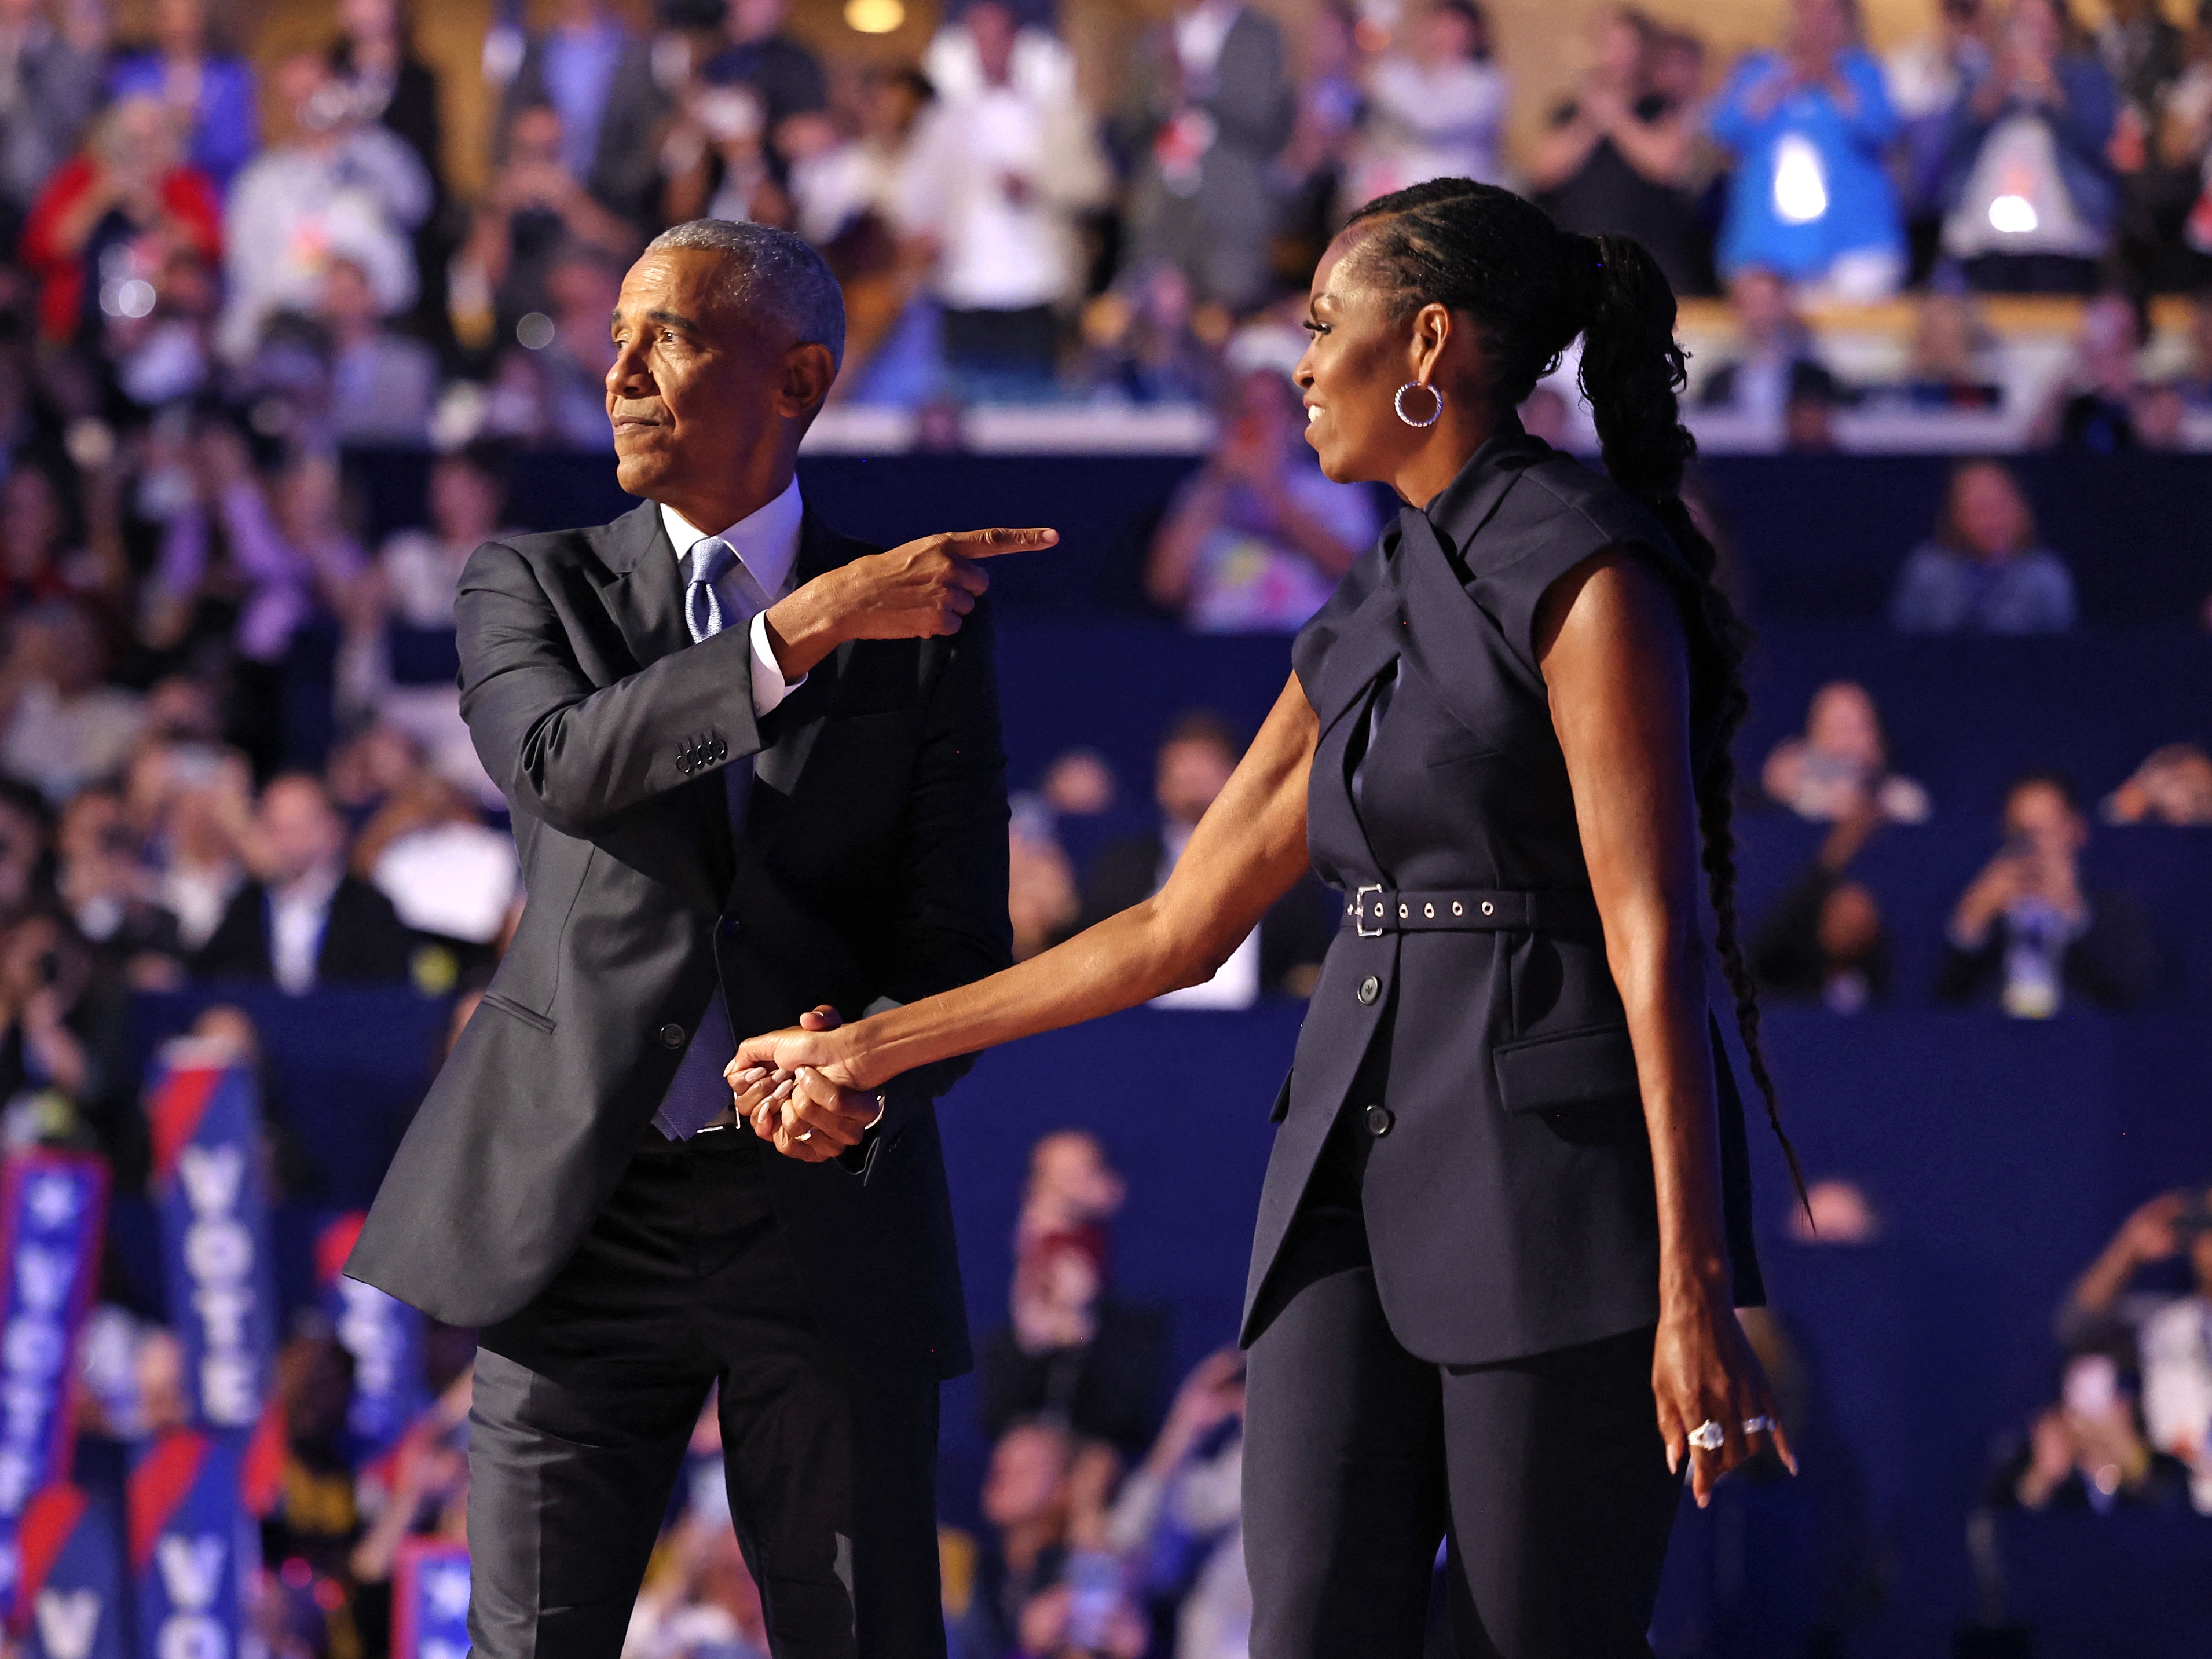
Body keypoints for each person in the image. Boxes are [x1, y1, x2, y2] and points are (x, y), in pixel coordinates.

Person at [738, 180, 1794, 1655]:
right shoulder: (1372, 591)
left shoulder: (1584, 565)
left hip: (1553, 1186)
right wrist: (873, 1044)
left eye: (1318, 326)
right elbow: (1177, 926)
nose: (1292, 363)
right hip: (1343, 1178)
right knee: (1298, 1624)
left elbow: (1650, 936)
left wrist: (1688, 1278)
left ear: (1423, 343)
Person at [343, 220, 1058, 1659]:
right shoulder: (527, 581)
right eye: (614, 335)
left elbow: (952, 934)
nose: (616, 371)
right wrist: (800, 630)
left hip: (820, 1204)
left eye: (663, 334)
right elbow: (559, 762)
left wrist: (862, 1077)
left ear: (793, 378)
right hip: (572, 1212)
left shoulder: (925, 624)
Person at [893, 0, 1110, 397]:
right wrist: (926, 232)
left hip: (1038, 287)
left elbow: (1095, 186)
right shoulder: (944, 122)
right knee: (967, 406)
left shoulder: (1057, 116)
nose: (989, 49)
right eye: (980, 39)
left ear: (1015, 42)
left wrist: (1037, 186)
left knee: (1033, 411)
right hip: (965, 286)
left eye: (997, 38)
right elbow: (914, 196)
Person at [1078, 711, 1335, 1004]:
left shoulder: (1282, 866)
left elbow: (1305, 965)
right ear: (1161, 786)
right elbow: (1092, 952)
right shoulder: (1122, 866)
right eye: (1182, 776)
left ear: (1237, 779)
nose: (1193, 787)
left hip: (1253, 1034)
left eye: (1203, 774)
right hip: (1144, 1033)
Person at [218, 51, 431, 363]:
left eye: (315, 93)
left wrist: (357, 131)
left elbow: (416, 205)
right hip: (292, 333)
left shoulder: (374, 154)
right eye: (294, 99)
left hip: (380, 332)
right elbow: (248, 271)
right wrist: (321, 292)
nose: (308, 108)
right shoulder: (259, 183)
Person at [1146, 368, 1379, 632]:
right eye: (1243, 411)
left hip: (1301, 648)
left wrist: (1268, 488)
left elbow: (1352, 573)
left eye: (1267, 410)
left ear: (1294, 422)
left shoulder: (1334, 487)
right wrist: (1217, 486)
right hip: (1218, 650)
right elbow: (1165, 589)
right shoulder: (1204, 490)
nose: (1253, 423)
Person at [1706, 0, 1907, 298]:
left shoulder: (1865, 73)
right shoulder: (1758, 71)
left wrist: (1832, 79)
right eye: (1807, 12)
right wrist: (1780, 82)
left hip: (1855, 253)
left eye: (1827, 15)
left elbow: (1881, 130)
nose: (1815, 24)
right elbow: (1724, 131)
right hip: (1769, 257)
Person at [1117, 0, 1297, 313]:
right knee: (1155, 323)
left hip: (1229, 213)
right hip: (1163, 212)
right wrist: (1162, 93)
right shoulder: (1159, 35)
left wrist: (1200, 87)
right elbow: (1130, 125)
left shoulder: (1259, 35)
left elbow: (1266, 122)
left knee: (1226, 327)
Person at [1935, 770, 2159, 1015]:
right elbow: (1941, 1003)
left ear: (2077, 830)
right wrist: (1972, 924)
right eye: (2023, 831)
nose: (2036, 844)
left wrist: (2072, 910)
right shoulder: (1981, 908)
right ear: (2005, 832)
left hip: (2083, 1043)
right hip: (1994, 1041)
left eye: (2048, 828)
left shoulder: (2114, 911)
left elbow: (2133, 994)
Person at [1940, 0, 2119, 292]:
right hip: (1984, 241)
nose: (2029, 32)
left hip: (2063, 242)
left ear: (2059, 27)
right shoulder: (1979, 75)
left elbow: (2097, 141)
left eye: (2038, 21)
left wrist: (2051, 88)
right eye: (2021, 20)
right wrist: (1999, 81)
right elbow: (1951, 142)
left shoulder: (2086, 76)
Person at [19, 93, 224, 349]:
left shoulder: (181, 184)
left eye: (153, 140)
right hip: (81, 324)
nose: (141, 151)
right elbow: (45, 248)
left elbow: (209, 246)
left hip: (161, 324)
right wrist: (99, 198)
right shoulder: (77, 179)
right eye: (132, 142)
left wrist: (151, 209)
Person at [1530, 10, 1706, 299]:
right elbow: (1544, 170)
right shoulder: (1571, 112)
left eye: (1628, 46)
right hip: (1581, 263)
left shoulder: (1661, 109)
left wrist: (1617, 118)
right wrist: (1590, 120)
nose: (1618, 57)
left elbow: (1667, 164)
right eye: (1611, 45)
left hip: (1646, 262)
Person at [192, 772, 416, 990]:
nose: (282, 841)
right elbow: (204, 977)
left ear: (332, 830)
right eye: (273, 827)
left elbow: (388, 992)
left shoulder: (370, 908)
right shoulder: (247, 905)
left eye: (295, 828)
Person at [1345, 0, 1510, 206]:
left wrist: (1384, 68)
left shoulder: (1486, 83)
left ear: (1474, 30)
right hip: (1405, 198)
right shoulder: (1420, 77)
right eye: (1439, 24)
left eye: (1455, 25)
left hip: (1457, 198)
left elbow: (1430, 120)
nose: (1446, 33)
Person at [1891, 456, 2075, 633]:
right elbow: (1901, 644)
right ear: (1955, 517)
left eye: (2001, 506)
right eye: (1980, 510)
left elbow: (2064, 652)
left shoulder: (2046, 575)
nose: (1993, 521)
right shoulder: (1928, 570)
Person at [107, 0, 256, 192]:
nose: (178, 27)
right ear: (154, 21)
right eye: (167, 17)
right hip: (143, 198)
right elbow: (115, 149)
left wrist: (195, 130)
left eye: (187, 16)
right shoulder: (131, 79)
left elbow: (240, 152)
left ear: (202, 19)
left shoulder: (232, 80)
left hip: (212, 197)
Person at [1761, 679, 1931, 824]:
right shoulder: (1796, 791)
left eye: (1860, 728)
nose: (1850, 741)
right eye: (1839, 728)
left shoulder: (1898, 794)